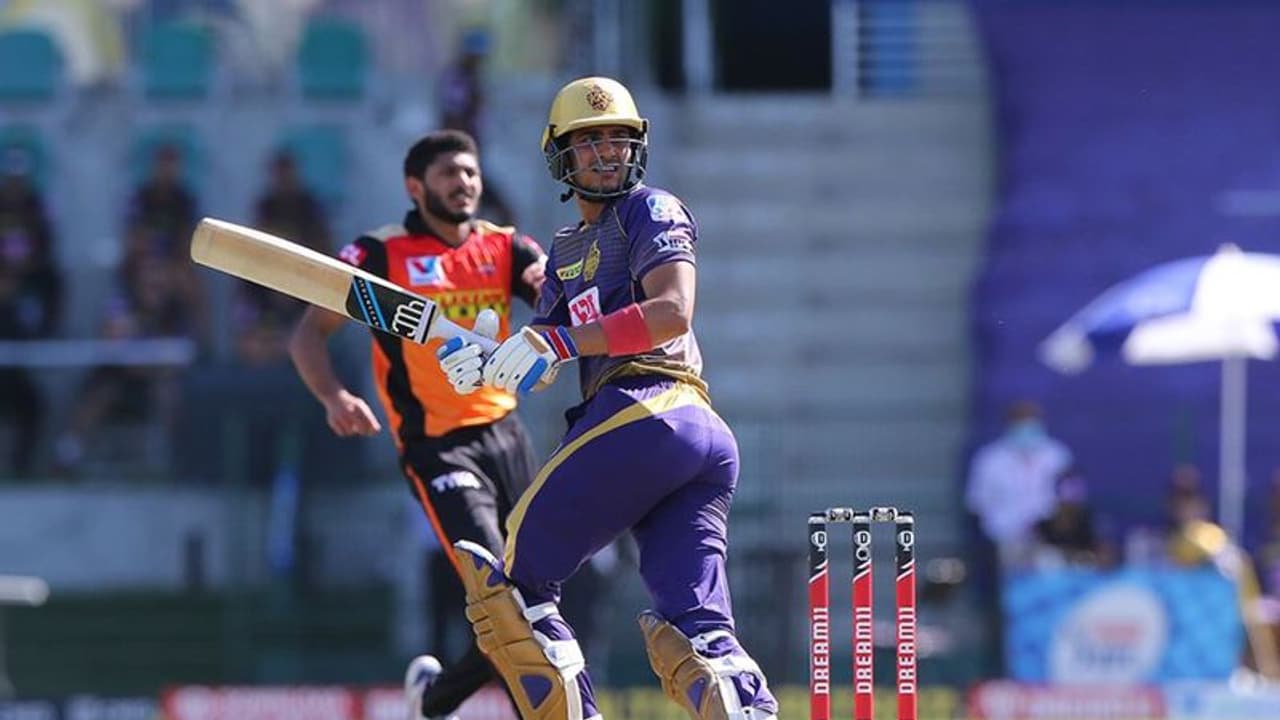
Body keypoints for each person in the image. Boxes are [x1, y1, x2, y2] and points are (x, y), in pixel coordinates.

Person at [436, 77, 778, 720]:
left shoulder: (649, 209)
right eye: (588, 141)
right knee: (694, 632)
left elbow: (671, 311)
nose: (606, 153)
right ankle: (746, 707)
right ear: (561, 156)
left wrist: (557, 343)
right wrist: (487, 362)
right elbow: (541, 355)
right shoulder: (566, 249)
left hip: (649, 410)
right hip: (684, 441)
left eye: (618, 139)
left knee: (513, 584)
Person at [287, 130, 546, 720]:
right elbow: (308, 333)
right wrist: (333, 396)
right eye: (449, 173)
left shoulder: (504, 247)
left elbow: (551, 294)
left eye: (471, 172)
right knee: (502, 598)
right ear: (415, 186)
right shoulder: (381, 256)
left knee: (534, 603)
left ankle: (432, 700)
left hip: (509, 436)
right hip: (437, 448)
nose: (464, 183)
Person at [966, 400, 1072, 570]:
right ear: (1010, 425)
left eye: (1030, 423)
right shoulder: (990, 459)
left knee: (1051, 567)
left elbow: (1068, 497)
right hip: (1006, 536)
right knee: (1012, 573)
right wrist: (1002, 526)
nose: (1026, 430)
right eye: (1021, 424)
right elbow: (977, 502)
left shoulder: (1056, 455)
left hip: (1049, 535)